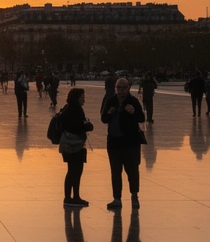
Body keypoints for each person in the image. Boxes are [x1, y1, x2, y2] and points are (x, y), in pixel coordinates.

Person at [100, 76, 145, 211]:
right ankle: (117, 198)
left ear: (129, 88)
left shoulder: (133, 101)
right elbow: (103, 119)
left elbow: (142, 118)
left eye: (124, 88)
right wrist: (109, 113)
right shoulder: (110, 101)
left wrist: (134, 112)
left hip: (131, 143)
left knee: (132, 171)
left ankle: (134, 196)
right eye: (118, 88)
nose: (121, 90)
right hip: (114, 143)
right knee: (115, 172)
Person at [56, 87, 94, 207]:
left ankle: (69, 197)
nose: (84, 99)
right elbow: (78, 127)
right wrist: (88, 125)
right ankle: (74, 197)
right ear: (77, 98)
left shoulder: (67, 109)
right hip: (75, 144)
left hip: (68, 144)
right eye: (82, 97)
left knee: (71, 171)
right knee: (76, 171)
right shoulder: (76, 110)